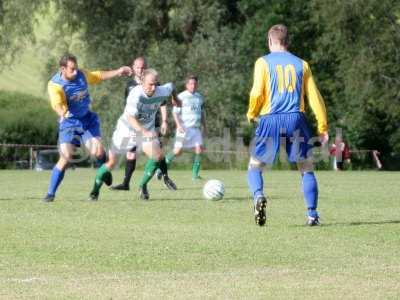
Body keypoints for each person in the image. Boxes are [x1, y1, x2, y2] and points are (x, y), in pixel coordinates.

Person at [246, 24, 329, 226]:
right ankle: (312, 215)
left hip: (270, 118)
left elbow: (257, 92)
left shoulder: (262, 62)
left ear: (270, 41)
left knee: (255, 166)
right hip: (295, 118)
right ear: (287, 42)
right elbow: (315, 98)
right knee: (306, 168)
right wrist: (323, 127)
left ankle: (258, 196)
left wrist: (252, 112)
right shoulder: (302, 64)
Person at [43, 53, 131, 202]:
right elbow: (56, 103)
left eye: (76, 68)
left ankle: (104, 167)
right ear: (62, 69)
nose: (75, 71)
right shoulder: (55, 85)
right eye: (72, 69)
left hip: (86, 120)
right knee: (65, 158)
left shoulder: (81, 74)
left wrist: (118, 71)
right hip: (69, 123)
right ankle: (50, 194)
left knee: (98, 151)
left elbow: (98, 75)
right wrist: (62, 113)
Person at [89, 68, 181, 201]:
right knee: (111, 163)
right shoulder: (135, 94)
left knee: (158, 156)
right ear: (142, 82)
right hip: (125, 131)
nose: (154, 87)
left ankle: (142, 186)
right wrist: (144, 131)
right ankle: (94, 192)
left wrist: (176, 99)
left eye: (155, 83)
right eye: (150, 84)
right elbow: (131, 118)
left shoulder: (161, 90)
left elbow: (171, 86)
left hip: (145, 132)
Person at [110, 57, 169, 191]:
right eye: (137, 67)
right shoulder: (130, 85)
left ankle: (165, 177)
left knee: (158, 153)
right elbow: (128, 107)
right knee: (131, 154)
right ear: (133, 68)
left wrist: (164, 120)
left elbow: (164, 102)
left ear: (146, 68)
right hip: (134, 125)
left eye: (142, 67)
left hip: (152, 123)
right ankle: (126, 183)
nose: (140, 70)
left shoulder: (154, 82)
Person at [162, 75, 206, 180]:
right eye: (191, 83)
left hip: (195, 129)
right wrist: (178, 125)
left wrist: (205, 126)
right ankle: (161, 169)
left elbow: (202, 112)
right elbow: (175, 112)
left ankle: (195, 175)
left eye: (195, 83)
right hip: (184, 128)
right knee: (177, 151)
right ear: (186, 85)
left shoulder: (199, 97)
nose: (193, 85)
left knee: (199, 150)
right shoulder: (181, 96)